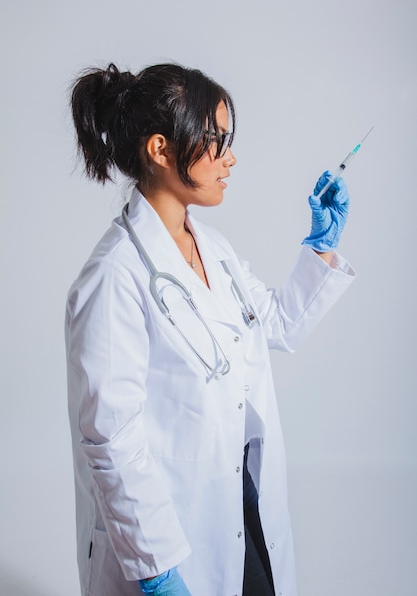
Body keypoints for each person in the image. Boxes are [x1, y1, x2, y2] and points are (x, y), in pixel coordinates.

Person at [66, 62, 355, 596]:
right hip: (167, 533)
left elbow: (275, 322)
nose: (230, 157)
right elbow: (110, 440)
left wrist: (320, 247)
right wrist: (156, 569)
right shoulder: (112, 278)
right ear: (160, 149)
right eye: (216, 141)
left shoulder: (213, 249)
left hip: (237, 501)